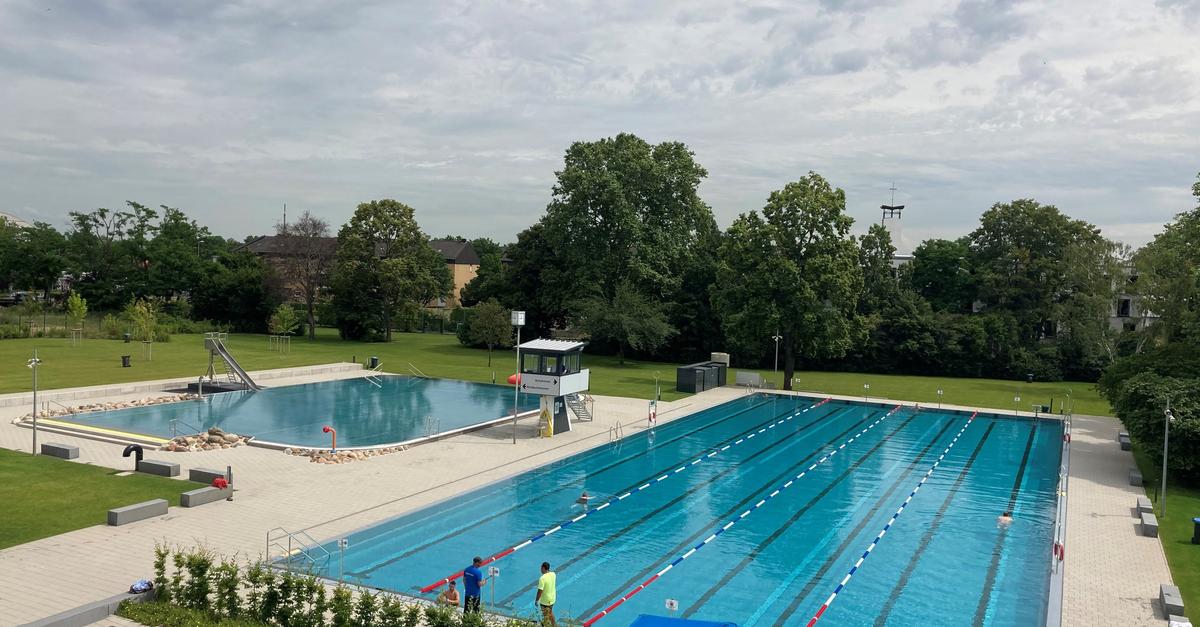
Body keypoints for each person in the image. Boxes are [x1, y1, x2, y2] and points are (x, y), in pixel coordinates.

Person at [536, 561, 557, 627]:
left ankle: (548, 625)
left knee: (546, 614)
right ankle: (554, 625)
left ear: (543, 568)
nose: (540, 570)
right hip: (552, 598)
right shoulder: (553, 574)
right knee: (550, 613)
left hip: (545, 600)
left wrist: (536, 600)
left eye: (541, 568)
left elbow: (540, 591)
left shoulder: (542, 578)